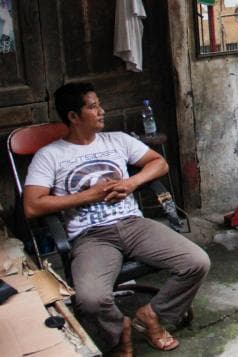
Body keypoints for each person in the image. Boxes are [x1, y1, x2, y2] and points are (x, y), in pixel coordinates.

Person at [23, 83, 210, 355]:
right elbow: (32, 206)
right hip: (91, 236)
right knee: (90, 299)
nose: (101, 111)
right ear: (73, 117)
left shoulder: (117, 140)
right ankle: (118, 331)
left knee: (197, 262)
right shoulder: (50, 155)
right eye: (92, 106)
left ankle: (151, 316)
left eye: (99, 104)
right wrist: (89, 196)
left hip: (134, 224)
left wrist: (131, 183)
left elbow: (159, 163)